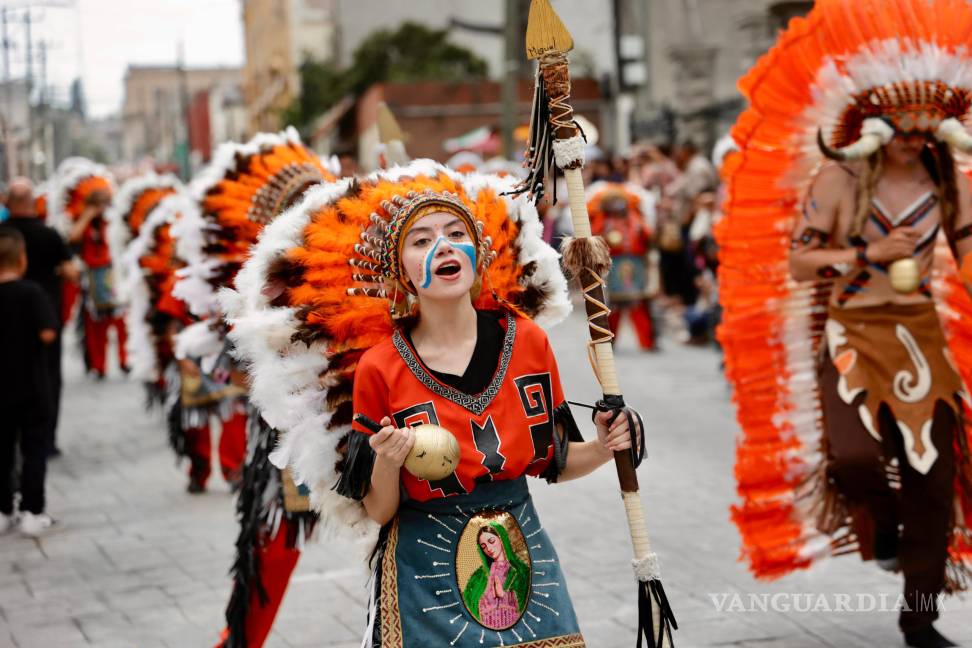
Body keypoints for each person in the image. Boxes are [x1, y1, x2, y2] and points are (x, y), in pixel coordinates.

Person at [222, 161, 644, 647]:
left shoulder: (527, 342)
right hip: (422, 572)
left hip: (523, 557)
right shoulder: (379, 368)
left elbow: (556, 461)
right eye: (421, 240)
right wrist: (387, 460)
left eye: (454, 233)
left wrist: (609, 445)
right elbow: (380, 511)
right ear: (400, 273)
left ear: (478, 253)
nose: (442, 246)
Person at [718, 2, 972, 646]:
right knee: (855, 461)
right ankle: (880, 528)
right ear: (877, 125)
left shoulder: (949, 180)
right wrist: (866, 255)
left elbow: (967, 251)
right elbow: (801, 263)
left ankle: (920, 620)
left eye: (925, 129)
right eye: (904, 127)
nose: (915, 138)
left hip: (921, 337)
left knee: (933, 479)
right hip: (850, 333)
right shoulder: (837, 179)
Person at [4, 177, 78, 456]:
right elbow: (71, 271)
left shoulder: (3, 233)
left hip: (5, 319)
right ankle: (46, 439)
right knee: (48, 378)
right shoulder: (49, 234)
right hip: (45, 316)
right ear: (33, 202)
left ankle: (14, 440)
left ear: (8, 203)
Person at [0, 227, 57, 536]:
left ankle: (3, 508)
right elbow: (47, 333)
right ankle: (32, 511)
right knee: (35, 449)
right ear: (21, 259)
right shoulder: (32, 292)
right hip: (33, 386)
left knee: (3, 449)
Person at [587, 183, 657, 350]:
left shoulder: (634, 216)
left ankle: (647, 341)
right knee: (613, 306)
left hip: (635, 263)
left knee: (638, 303)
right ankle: (608, 341)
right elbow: (595, 236)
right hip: (613, 265)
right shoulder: (602, 220)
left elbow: (647, 234)